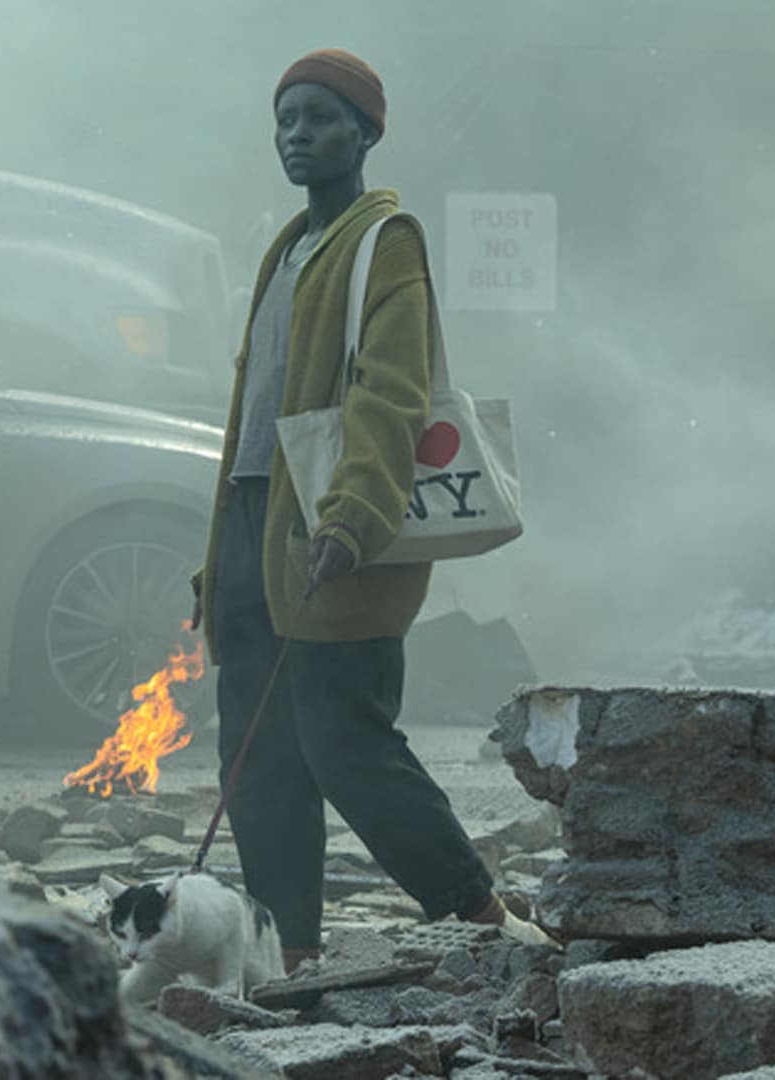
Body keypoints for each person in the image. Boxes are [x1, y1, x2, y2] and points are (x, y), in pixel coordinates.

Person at [189, 48, 552, 973]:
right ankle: (286, 951)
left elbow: (392, 392)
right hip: (251, 524)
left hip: (328, 521)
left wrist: (353, 516)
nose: (296, 136)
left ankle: (472, 905)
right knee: (259, 754)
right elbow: (252, 413)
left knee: (345, 740)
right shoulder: (287, 246)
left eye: (318, 118)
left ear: (366, 133)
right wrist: (218, 555)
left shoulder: (385, 240)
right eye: (284, 121)